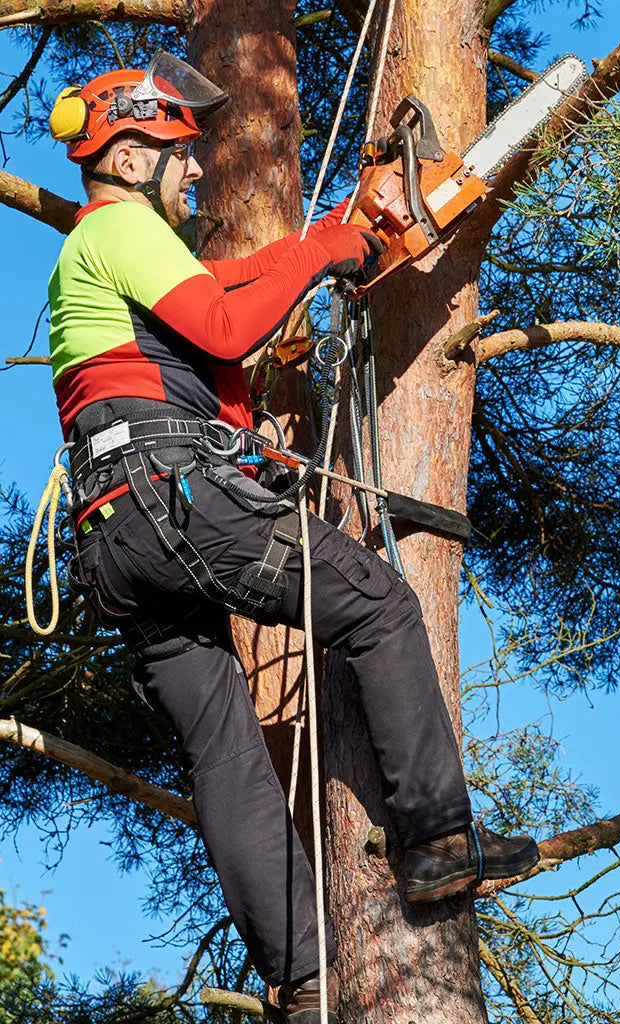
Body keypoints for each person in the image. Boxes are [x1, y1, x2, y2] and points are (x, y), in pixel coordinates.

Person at [46, 52, 539, 1023]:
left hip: (117, 539)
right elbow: (228, 322)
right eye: (181, 156)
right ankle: (436, 841)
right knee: (379, 606)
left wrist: (338, 241)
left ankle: (302, 978)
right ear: (134, 154)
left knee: (225, 751)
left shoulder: (113, 264)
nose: (195, 173)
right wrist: (323, 247)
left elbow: (224, 295)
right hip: (170, 502)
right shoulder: (119, 230)